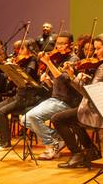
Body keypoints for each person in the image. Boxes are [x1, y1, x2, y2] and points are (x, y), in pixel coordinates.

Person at [51, 33, 103, 168]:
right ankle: (91, 151)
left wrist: (72, 76)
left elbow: (89, 94)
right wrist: (88, 79)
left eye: (98, 48)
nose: (95, 52)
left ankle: (77, 154)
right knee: (73, 118)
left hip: (99, 110)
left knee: (58, 119)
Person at [23, 32, 80, 160]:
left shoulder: (73, 60)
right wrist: (49, 81)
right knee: (25, 120)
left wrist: (48, 63)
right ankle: (61, 138)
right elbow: (57, 85)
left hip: (67, 101)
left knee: (32, 116)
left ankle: (51, 146)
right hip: (55, 99)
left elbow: (65, 79)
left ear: (70, 45)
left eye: (62, 44)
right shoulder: (58, 59)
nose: (59, 46)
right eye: (57, 43)